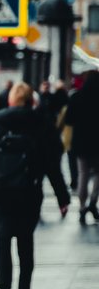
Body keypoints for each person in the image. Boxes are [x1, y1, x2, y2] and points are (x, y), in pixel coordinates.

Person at [0, 81, 70, 289]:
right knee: (25, 240)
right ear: (32, 101)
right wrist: (62, 197)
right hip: (29, 192)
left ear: (10, 101)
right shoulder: (41, 124)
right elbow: (53, 164)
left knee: (2, 239)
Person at [64, 70, 99, 223]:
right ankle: (93, 201)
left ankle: (82, 206)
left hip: (81, 142)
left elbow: (69, 120)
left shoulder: (77, 97)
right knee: (98, 174)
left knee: (83, 174)